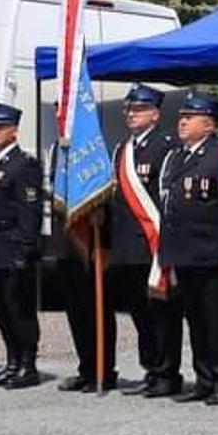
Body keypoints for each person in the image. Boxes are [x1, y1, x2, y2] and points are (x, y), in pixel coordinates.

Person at [76, 84, 177, 395]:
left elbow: (165, 200)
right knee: (140, 314)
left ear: (155, 114)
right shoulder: (122, 149)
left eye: (139, 109)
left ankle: (167, 373)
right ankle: (151, 369)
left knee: (162, 315)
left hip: (152, 245)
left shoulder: (165, 147)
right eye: (129, 110)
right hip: (126, 248)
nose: (132, 114)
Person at [160, 91, 218, 406]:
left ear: (208, 125)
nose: (182, 122)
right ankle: (204, 379)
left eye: (190, 117)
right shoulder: (179, 156)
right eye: (182, 116)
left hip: (211, 253)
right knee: (196, 320)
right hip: (184, 252)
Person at [0, 102, 44, 388]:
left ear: (14, 130)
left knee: (19, 309)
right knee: (0, 309)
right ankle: (12, 360)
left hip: (12, 244)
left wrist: (25, 250)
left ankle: (27, 364)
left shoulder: (23, 165)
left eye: (0, 127)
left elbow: (30, 211)